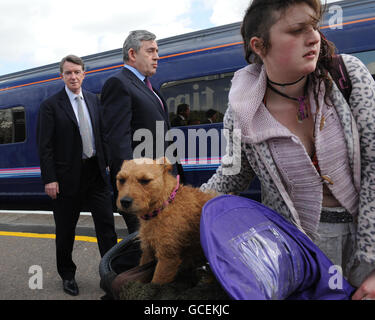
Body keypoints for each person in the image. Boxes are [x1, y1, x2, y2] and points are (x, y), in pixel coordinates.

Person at [200, 0, 375, 300]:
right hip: (299, 254)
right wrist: (179, 206)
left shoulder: (347, 76)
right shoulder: (242, 112)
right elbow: (231, 177)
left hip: (365, 244)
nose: (313, 37)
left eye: (314, 26)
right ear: (259, 45)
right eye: (297, 30)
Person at [37, 55, 118, 296]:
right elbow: (45, 146)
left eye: (77, 72)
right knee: (65, 231)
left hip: (96, 175)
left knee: (107, 228)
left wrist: (108, 164)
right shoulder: (50, 106)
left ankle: (111, 275)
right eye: (68, 73)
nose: (73, 76)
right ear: (61, 76)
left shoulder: (94, 100)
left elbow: (103, 135)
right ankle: (67, 275)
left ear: (84, 74)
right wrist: (49, 179)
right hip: (65, 179)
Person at [101, 30, 183, 235]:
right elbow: (118, 141)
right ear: (132, 54)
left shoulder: (151, 89)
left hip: (163, 183)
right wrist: (129, 189)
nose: (157, 56)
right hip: (142, 189)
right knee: (147, 248)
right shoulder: (119, 84)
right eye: (151, 51)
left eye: (157, 51)